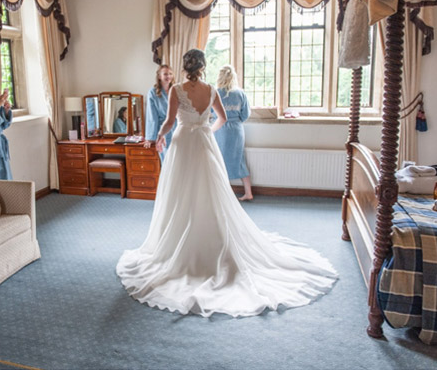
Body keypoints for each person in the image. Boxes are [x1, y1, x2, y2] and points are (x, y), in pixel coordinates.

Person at [116, 49, 338, 318]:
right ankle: (215, 239)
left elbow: (169, 121)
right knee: (210, 191)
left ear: (184, 68)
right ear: (204, 66)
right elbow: (222, 118)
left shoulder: (176, 89)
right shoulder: (211, 90)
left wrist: (159, 137)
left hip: (183, 143)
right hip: (204, 143)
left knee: (180, 192)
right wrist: (207, 129)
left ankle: (181, 242)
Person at [213, 65, 253, 201]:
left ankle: (225, 195)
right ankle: (248, 192)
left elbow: (212, 113)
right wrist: (236, 120)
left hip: (220, 128)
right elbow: (246, 113)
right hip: (236, 130)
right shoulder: (240, 93)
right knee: (239, 160)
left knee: (220, 160)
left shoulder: (216, 93)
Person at [143, 65, 176, 161]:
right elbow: (152, 116)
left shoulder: (176, 90)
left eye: (170, 74)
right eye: (165, 74)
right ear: (159, 76)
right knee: (167, 160)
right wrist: (150, 138)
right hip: (164, 130)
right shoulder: (153, 92)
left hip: (178, 128)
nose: (168, 76)